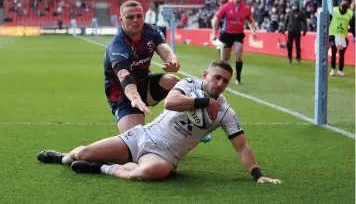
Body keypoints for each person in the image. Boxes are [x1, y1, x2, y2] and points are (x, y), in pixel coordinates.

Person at [37, 60, 282, 184]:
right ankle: (63, 157)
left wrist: (257, 174)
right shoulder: (188, 85)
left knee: (152, 172)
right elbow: (170, 103)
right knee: (86, 151)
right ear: (206, 75)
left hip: (165, 155)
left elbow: (242, 147)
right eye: (217, 77)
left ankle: (101, 168)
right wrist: (204, 103)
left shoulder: (226, 112)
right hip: (142, 136)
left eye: (225, 81)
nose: (220, 84)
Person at [103, 0, 180, 134]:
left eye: (139, 16)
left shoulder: (151, 32)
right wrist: (134, 97)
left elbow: (166, 51)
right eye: (130, 17)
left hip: (145, 85)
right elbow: (123, 75)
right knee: (135, 141)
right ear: (121, 20)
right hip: (123, 96)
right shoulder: (118, 45)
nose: (136, 20)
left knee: (174, 82)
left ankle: (185, 123)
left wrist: (172, 61)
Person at [212, 0, 257, 85]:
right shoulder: (226, 6)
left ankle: (238, 78)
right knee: (224, 60)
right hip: (226, 34)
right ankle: (222, 78)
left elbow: (250, 21)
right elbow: (217, 19)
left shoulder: (246, 9)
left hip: (238, 35)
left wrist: (253, 30)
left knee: (238, 53)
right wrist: (214, 33)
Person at [328, 0, 354, 77]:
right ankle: (333, 69)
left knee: (342, 54)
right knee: (334, 52)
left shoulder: (350, 13)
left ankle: (340, 70)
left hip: (343, 36)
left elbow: (352, 25)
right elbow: (328, 20)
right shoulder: (334, 10)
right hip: (333, 34)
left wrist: (354, 35)